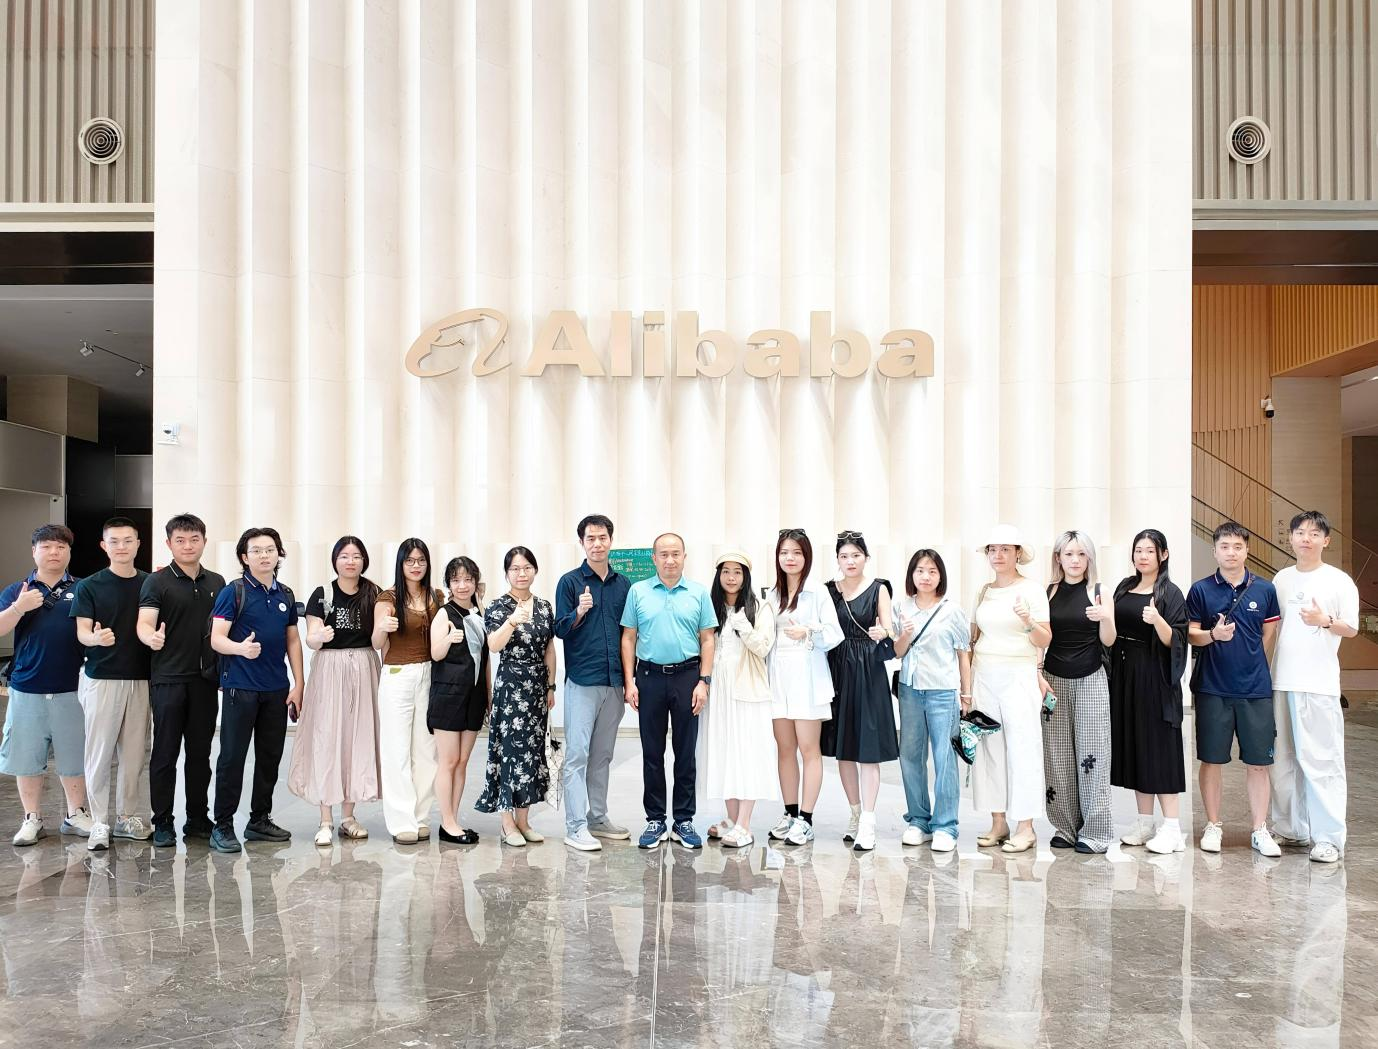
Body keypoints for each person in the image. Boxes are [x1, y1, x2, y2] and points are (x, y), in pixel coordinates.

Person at [1268, 511, 1359, 864]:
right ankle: (1292, 829)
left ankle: (1328, 838)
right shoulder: (1282, 578)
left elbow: (1351, 628)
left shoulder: (1339, 581)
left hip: (1318, 685)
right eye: (1300, 532)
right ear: (1291, 538)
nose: (1306, 538)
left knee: (1323, 762)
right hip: (1281, 681)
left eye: (1314, 533)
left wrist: (1325, 621)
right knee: (1283, 761)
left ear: (1326, 540)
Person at [1187, 521, 1282, 857]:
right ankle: (1213, 825)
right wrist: (1214, 635)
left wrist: (1249, 659)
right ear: (1215, 551)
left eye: (1237, 546)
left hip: (1255, 689)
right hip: (1212, 688)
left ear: (1246, 550)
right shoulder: (1200, 590)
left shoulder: (1265, 590)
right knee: (1211, 760)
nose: (1231, 552)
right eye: (1224, 546)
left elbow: (1268, 635)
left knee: (1259, 762)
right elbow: (1191, 635)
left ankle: (1259, 829)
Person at [208, 526, 305, 853]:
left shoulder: (285, 594)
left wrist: (299, 684)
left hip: (276, 689)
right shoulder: (233, 592)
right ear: (244, 557)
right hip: (240, 688)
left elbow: (293, 640)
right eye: (257, 551)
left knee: (269, 757)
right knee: (232, 757)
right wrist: (240, 649)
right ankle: (222, 825)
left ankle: (259, 820)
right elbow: (216, 638)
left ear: (279, 554)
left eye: (270, 550)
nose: (264, 556)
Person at [620, 532, 717, 851]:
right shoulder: (638, 591)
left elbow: (707, 639)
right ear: (654, 558)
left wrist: (704, 681)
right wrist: (630, 681)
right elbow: (629, 638)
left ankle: (684, 820)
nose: (670, 560)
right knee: (652, 753)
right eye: (663, 554)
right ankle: (655, 819)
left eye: (676, 554)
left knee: (685, 753)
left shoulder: (699, 593)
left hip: (688, 677)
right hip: (649, 677)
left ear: (684, 557)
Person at [137, 512, 226, 847]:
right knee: (165, 753)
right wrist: (150, 637)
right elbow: (144, 622)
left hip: (205, 680)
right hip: (169, 679)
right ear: (169, 543)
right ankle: (162, 821)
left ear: (204, 541)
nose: (188, 546)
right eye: (180, 540)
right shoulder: (157, 581)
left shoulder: (217, 582)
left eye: (194, 539)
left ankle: (198, 818)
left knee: (200, 754)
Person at [0, 524, 92, 846]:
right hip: (27, 688)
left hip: (73, 688)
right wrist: (18, 607)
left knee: (74, 755)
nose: (54, 552)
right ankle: (32, 818)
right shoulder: (18, 590)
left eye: (61, 547)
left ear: (69, 552)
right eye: (47, 547)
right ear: (34, 551)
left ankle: (76, 813)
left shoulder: (83, 588)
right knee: (26, 758)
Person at [288, 536, 381, 847]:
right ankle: (326, 819)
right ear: (335, 560)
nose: (350, 561)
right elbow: (311, 638)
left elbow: (380, 635)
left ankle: (348, 817)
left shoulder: (374, 593)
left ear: (364, 560)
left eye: (356, 556)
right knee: (327, 740)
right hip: (329, 670)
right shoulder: (322, 593)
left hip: (365, 668)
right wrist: (320, 636)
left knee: (358, 739)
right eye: (344, 556)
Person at [71, 515, 152, 851]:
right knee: (99, 754)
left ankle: (127, 817)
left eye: (128, 540)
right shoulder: (89, 586)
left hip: (141, 679)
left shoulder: (150, 583)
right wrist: (95, 638)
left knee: (134, 756)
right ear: (104, 546)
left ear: (138, 544)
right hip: (102, 679)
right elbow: (82, 631)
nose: (121, 547)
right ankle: (99, 822)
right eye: (114, 541)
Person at [968, 524, 1051, 854]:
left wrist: (1028, 621)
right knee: (990, 748)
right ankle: (998, 822)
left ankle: (1025, 827)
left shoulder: (1032, 590)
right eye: (993, 549)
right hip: (984, 674)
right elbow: (973, 639)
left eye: (1005, 549)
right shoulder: (983, 591)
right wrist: (966, 686)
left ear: (1018, 553)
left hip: (1018, 674)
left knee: (1023, 747)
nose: (998, 555)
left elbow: (1044, 638)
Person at [553, 514, 632, 852]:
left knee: (602, 756)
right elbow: (559, 628)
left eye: (602, 538)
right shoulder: (569, 582)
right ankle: (575, 826)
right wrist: (579, 612)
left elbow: (629, 635)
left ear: (611, 541)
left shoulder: (624, 585)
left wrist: (629, 681)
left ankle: (597, 817)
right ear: (582, 543)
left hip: (614, 682)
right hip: (582, 682)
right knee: (577, 755)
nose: (597, 544)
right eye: (591, 539)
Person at [1111, 528, 1190, 855]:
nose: (1143, 556)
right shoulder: (1124, 587)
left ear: (1163, 555)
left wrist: (1158, 619)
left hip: (1155, 676)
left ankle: (1172, 828)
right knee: (1136, 746)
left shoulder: (1170, 593)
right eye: (1138, 550)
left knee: (1159, 748)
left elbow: (1178, 640)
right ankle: (1145, 822)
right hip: (1125, 675)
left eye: (1149, 550)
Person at [1039, 531, 1117, 854]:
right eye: (1069, 554)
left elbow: (1109, 640)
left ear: (1089, 558)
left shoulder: (1099, 591)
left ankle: (1096, 830)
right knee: (1057, 754)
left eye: (1081, 554)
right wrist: (1037, 673)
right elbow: (1041, 637)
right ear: (1058, 558)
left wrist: (1105, 618)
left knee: (1093, 754)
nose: (1075, 560)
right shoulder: (1048, 591)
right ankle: (1066, 826)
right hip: (1053, 679)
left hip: (1090, 679)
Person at [824, 531, 900, 853]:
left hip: (868, 669)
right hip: (838, 668)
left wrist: (884, 631)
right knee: (844, 748)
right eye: (844, 556)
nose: (850, 561)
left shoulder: (879, 588)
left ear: (866, 558)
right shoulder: (829, 590)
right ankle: (854, 813)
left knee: (867, 748)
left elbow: (891, 630)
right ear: (837, 560)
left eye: (856, 555)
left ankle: (868, 820)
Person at [767, 528, 843, 847]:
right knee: (784, 748)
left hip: (807, 676)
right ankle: (790, 812)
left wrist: (808, 632)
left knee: (809, 750)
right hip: (778, 677)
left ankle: (806, 819)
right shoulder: (772, 594)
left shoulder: (817, 592)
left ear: (806, 557)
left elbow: (835, 634)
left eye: (797, 552)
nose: (790, 558)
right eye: (785, 552)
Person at [893, 548, 970, 854]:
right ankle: (918, 821)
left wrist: (966, 694)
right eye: (920, 571)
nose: (925, 577)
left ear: (941, 576)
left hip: (943, 691)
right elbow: (898, 651)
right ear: (911, 575)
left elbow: (963, 655)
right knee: (910, 756)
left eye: (932, 571)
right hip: (910, 689)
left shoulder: (952, 610)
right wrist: (905, 634)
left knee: (944, 758)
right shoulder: (901, 607)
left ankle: (946, 826)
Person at [477, 546, 556, 846]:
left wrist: (550, 686)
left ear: (535, 570)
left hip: (537, 688)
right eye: (515, 569)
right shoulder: (498, 606)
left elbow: (549, 649)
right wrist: (512, 621)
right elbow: (494, 645)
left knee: (532, 754)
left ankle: (523, 821)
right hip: (510, 685)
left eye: (526, 568)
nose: (521, 574)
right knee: (509, 753)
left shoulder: (545, 607)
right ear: (507, 573)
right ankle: (507, 823)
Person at [700, 551, 777, 849]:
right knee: (723, 752)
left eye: (737, 572)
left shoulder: (760, 608)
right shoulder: (711, 607)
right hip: (718, 690)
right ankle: (732, 820)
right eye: (726, 571)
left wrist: (743, 624)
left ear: (746, 577)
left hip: (748, 691)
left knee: (747, 754)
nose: (731, 577)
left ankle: (745, 824)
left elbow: (763, 647)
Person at [373, 538, 445, 844]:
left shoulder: (436, 596)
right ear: (400, 564)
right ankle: (401, 820)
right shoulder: (387, 598)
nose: (416, 566)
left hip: (430, 673)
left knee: (427, 750)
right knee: (396, 749)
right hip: (397, 674)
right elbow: (376, 643)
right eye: (410, 561)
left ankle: (420, 816)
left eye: (421, 561)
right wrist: (382, 628)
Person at [429, 555, 490, 845]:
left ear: (476, 582)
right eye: (456, 580)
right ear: (449, 584)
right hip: (448, 695)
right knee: (449, 760)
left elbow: (485, 660)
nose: (462, 585)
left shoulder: (480, 614)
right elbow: (435, 653)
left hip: (474, 696)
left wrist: (489, 697)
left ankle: (452, 820)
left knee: (463, 761)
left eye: (468, 579)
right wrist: (449, 639)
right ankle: (447, 821)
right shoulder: (444, 614)